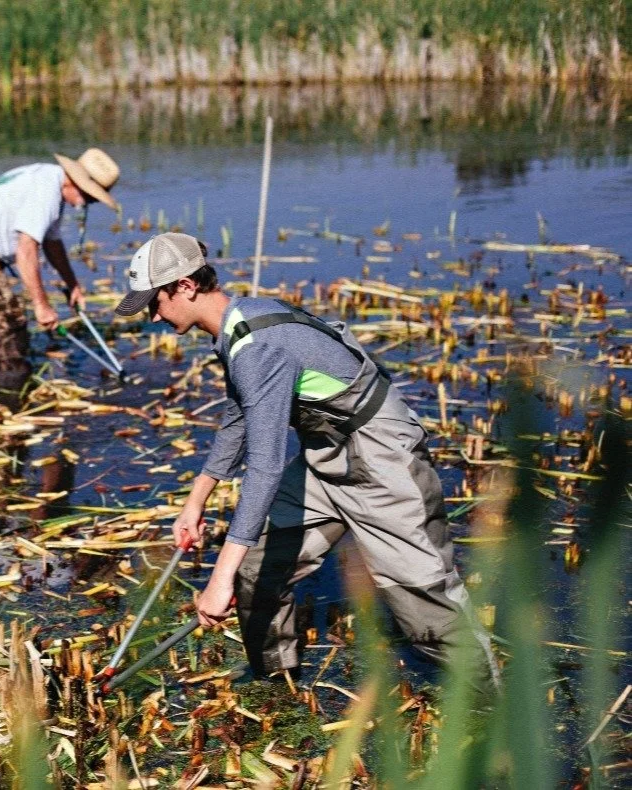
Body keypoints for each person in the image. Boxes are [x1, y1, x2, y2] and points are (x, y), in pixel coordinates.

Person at [115, 232, 500, 693]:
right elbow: (238, 418)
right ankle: (278, 686)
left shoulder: (256, 344)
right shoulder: (238, 325)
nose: (153, 316)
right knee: (256, 569)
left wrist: (217, 580)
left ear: (184, 286)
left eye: (154, 302)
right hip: (326, 451)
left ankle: (493, 705)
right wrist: (195, 503)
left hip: (381, 458)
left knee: (423, 603)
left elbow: (265, 464)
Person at [0, 148, 120, 393]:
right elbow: (26, 249)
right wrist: (41, 305)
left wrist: (73, 284)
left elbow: (52, 243)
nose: (87, 204)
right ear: (75, 182)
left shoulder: (51, 182)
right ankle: (13, 396)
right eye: (90, 197)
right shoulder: (45, 192)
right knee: (10, 320)